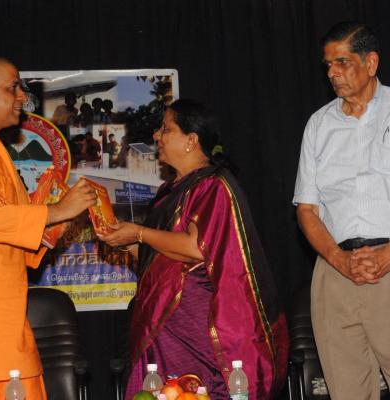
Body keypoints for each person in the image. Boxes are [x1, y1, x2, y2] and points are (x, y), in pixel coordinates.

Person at [99, 99, 289, 399]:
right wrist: (120, 241)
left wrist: (139, 232)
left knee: (192, 391)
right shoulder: (170, 191)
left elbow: (195, 248)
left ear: (191, 140)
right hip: (163, 324)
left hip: (194, 328)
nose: (156, 136)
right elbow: (157, 258)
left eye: (166, 129)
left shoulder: (213, 186)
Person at [0, 55, 97, 399]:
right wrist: (57, 210)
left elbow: (20, 227)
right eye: (12, 88)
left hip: (8, 327)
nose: (23, 96)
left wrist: (63, 218)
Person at [293, 21, 390, 399]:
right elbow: (306, 209)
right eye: (328, 65)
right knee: (348, 391)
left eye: (342, 62)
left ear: (371, 63)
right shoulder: (319, 125)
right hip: (336, 269)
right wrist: (338, 259)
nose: (332, 73)